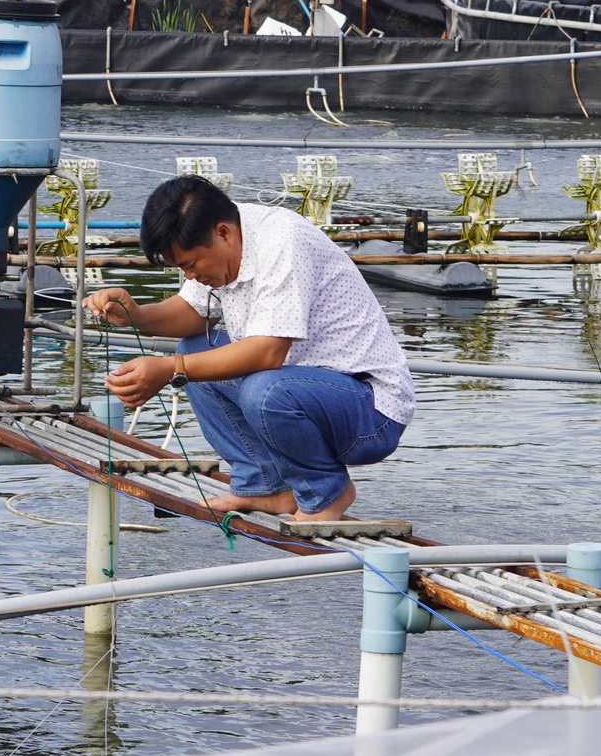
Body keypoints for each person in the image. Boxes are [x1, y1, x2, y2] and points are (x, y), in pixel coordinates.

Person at [89, 174, 413, 523]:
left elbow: (267, 354)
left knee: (261, 387)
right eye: (182, 268)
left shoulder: (282, 240)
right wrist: (135, 314)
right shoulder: (225, 237)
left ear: (223, 234)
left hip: (370, 411)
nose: (190, 276)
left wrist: (169, 369)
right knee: (195, 347)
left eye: (191, 265)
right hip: (305, 393)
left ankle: (326, 493)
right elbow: (194, 315)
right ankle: (267, 487)